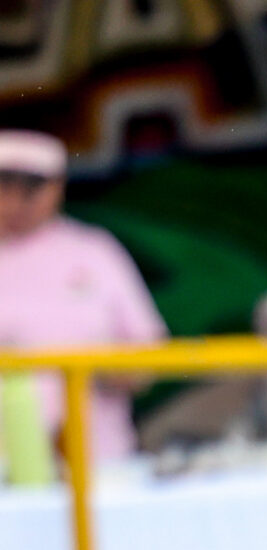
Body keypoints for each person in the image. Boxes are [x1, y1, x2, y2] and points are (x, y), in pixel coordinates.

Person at [0, 130, 165, 472]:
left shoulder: (95, 251)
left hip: (99, 459)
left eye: (30, 188)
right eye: (4, 186)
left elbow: (149, 346)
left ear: (58, 186)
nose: (15, 201)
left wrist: (119, 371)